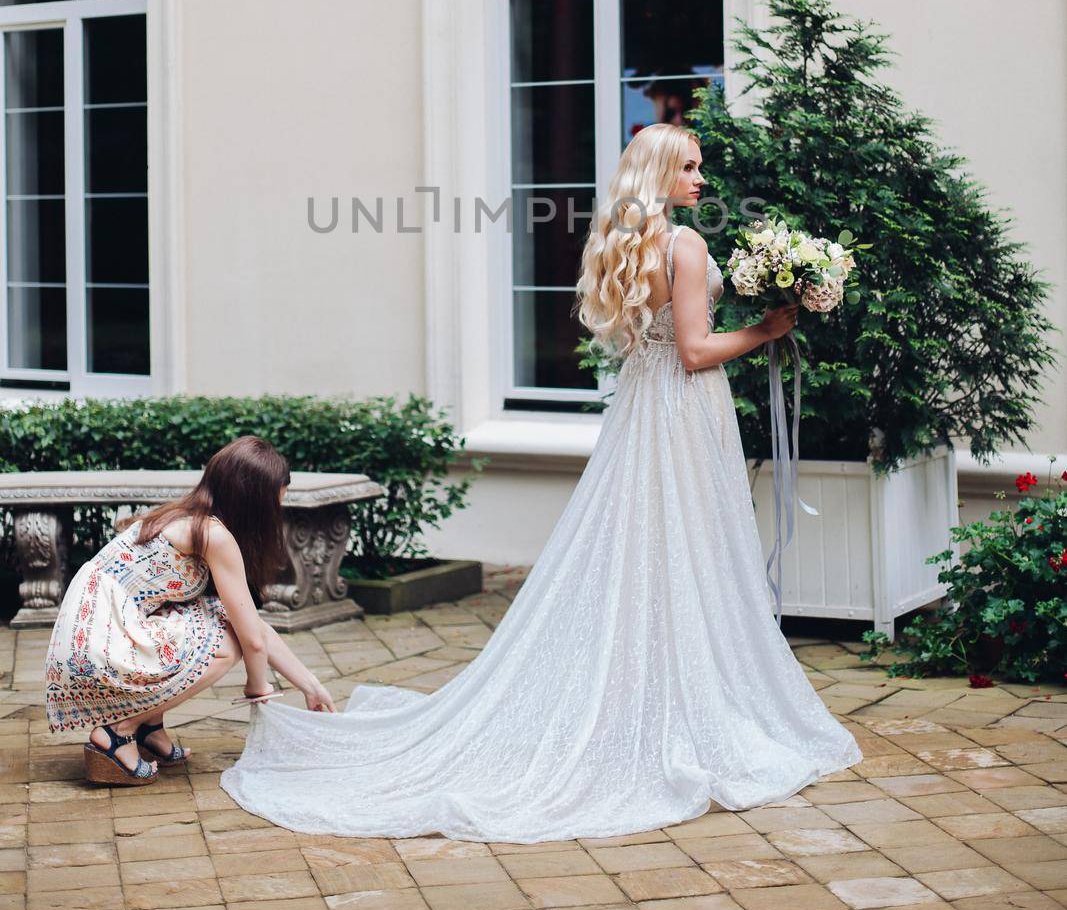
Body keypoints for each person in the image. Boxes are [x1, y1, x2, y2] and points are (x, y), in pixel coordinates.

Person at [220, 124, 862, 840]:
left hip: (641, 411)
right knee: (685, 546)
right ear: (656, 173)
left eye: (699, 167)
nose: (700, 179)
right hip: (681, 411)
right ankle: (679, 703)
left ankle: (651, 691)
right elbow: (693, 351)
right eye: (688, 167)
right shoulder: (683, 245)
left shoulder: (632, 242)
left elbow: (653, 344)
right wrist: (768, 329)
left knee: (645, 548)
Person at [44, 434, 335, 785]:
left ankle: (150, 727)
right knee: (225, 643)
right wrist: (258, 689)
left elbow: (253, 625)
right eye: (276, 503)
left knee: (218, 618)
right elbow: (251, 640)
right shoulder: (215, 535)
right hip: (98, 641)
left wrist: (310, 684)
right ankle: (119, 733)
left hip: (93, 631)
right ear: (255, 501)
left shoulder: (188, 516)